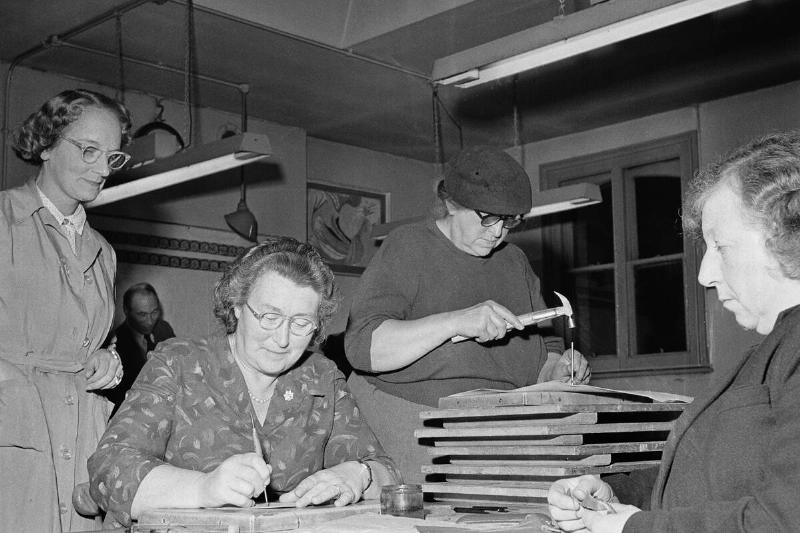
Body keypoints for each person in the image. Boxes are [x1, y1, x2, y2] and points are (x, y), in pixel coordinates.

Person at [547, 131, 800, 532]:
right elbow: (725, 480)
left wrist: (634, 528)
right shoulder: (774, 348)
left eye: (720, 246)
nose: (704, 274)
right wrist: (619, 500)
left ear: (784, 233)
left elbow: (784, 521)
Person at [89, 236, 400, 528]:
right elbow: (109, 466)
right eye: (269, 316)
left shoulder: (321, 377)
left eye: (301, 323)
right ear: (237, 306)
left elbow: (389, 474)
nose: (282, 339)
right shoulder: (178, 363)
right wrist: (203, 488)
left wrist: (359, 474)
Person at [345, 145, 590, 484]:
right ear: (451, 203)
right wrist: (455, 321)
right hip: (418, 413)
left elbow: (545, 342)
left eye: (510, 221)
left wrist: (555, 367)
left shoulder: (514, 261)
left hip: (498, 418)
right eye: (487, 217)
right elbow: (363, 347)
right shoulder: (408, 247)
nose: (498, 232)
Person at [0, 89, 131, 532]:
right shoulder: (3, 222)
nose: (101, 170)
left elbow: (95, 336)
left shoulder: (104, 253)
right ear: (48, 144)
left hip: (83, 439)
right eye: (89, 150)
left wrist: (109, 359)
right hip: (15, 433)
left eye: (112, 158)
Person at [105, 282, 176, 416]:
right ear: (127, 311)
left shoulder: (164, 330)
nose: (150, 321)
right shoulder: (115, 343)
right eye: (142, 314)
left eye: (154, 312)